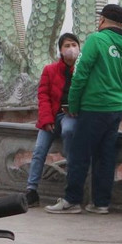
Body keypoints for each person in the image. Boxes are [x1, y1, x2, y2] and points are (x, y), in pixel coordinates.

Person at [46, 4, 122, 214]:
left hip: (94, 107)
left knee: (79, 154)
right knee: (105, 156)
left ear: (103, 20)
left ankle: (72, 200)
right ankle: (100, 203)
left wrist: (74, 105)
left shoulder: (97, 40)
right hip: (116, 107)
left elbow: (80, 74)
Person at [23, 33, 80, 207]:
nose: (71, 49)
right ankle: (31, 190)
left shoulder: (82, 70)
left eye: (73, 44)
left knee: (69, 131)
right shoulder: (50, 70)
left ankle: (71, 191)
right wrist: (47, 119)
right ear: (61, 51)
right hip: (52, 114)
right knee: (39, 150)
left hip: (70, 115)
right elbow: (43, 95)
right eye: (66, 46)